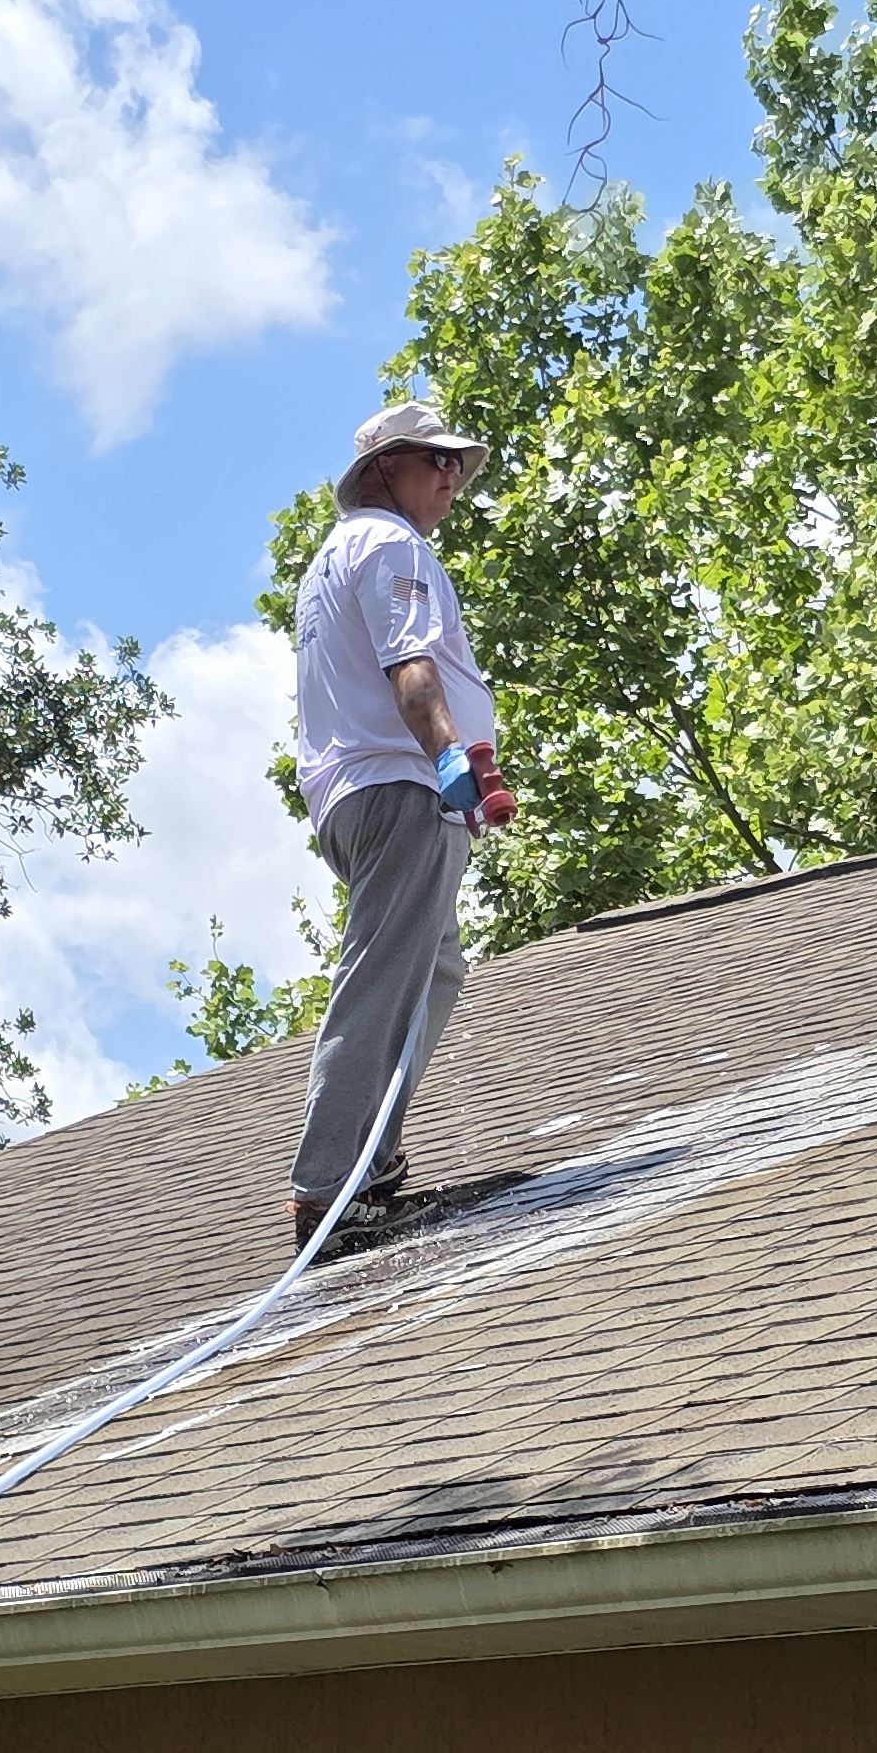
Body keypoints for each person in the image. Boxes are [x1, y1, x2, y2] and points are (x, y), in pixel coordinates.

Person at [284, 397, 518, 1254]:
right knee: (382, 977)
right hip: (400, 789)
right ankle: (328, 1191)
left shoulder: (330, 563)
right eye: (435, 459)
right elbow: (410, 667)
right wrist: (452, 760)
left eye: (457, 462)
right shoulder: (390, 545)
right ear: (385, 469)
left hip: (357, 798)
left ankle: (368, 1164)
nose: (451, 475)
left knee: (436, 967)